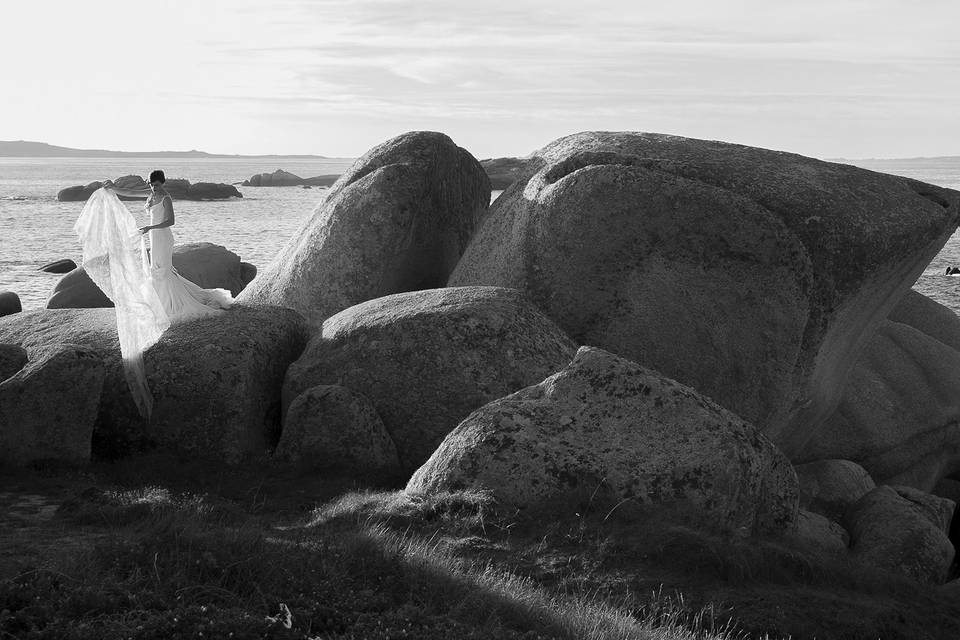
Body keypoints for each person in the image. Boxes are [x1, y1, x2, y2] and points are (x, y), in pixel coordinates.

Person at [74, 170, 232, 418]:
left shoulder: (165, 196)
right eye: (151, 183)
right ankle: (161, 303)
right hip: (153, 235)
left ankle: (172, 305)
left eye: (156, 183)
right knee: (156, 272)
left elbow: (171, 221)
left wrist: (150, 226)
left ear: (163, 183)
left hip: (162, 236)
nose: (153, 187)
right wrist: (112, 189)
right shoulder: (150, 193)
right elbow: (132, 192)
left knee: (161, 271)